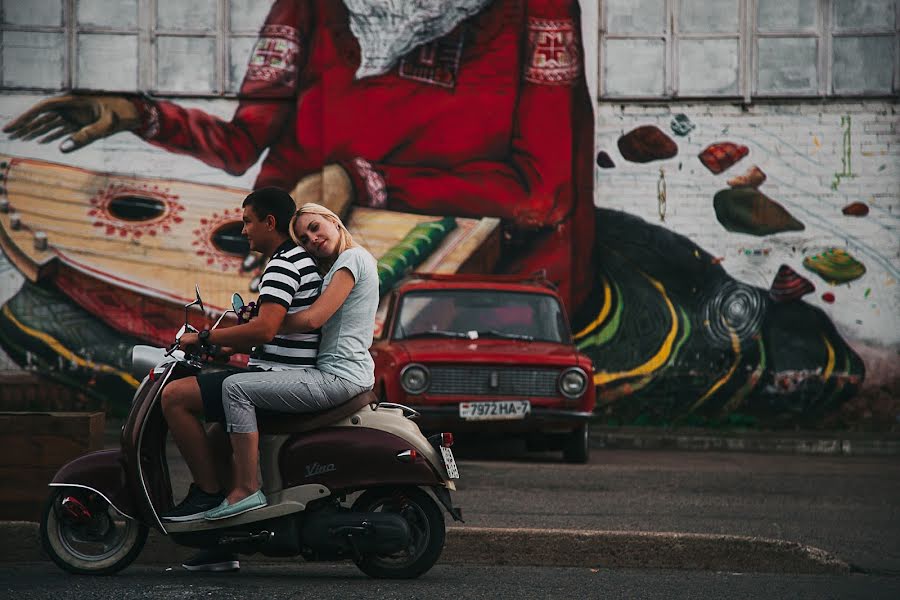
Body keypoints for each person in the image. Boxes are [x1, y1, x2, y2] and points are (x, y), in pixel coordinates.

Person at [2, 0, 595, 315]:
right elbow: (243, 142)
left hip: (443, 276)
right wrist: (140, 114)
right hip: (278, 264)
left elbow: (542, 195)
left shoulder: (537, 10)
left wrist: (360, 181)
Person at [161, 187, 321, 570]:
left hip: (281, 378)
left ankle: (206, 493)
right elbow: (275, 332)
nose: (244, 230)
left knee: (174, 398)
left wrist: (203, 337)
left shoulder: (283, 264)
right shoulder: (294, 260)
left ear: (270, 222)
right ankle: (222, 543)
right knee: (216, 439)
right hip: (277, 370)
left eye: (248, 221)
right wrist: (222, 347)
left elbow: (265, 329)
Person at [204, 202, 379, 520]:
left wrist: (265, 324)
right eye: (304, 237)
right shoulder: (340, 264)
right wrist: (257, 328)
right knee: (222, 422)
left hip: (340, 376)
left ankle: (246, 489)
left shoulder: (352, 259)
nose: (312, 239)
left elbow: (313, 319)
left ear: (333, 221)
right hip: (340, 373)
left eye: (315, 228)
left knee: (235, 389)